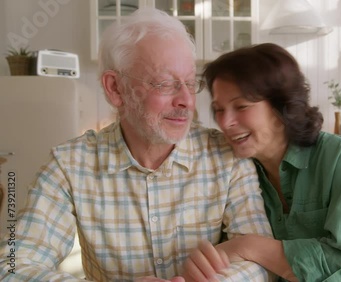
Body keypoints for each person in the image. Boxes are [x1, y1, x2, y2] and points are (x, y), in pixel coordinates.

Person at [0, 8, 273, 282]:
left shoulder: (226, 157)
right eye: (165, 83)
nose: (186, 101)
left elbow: (260, 259)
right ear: (115, 89)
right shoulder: (69, 165)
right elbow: (13, 266)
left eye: (190, 83)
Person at [185, 43, 341, 281]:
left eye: (241, 107)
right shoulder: (236, 169)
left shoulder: (339, 157)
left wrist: (249, 246)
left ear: (282, 106)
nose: (225, 122)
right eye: (218, 109)